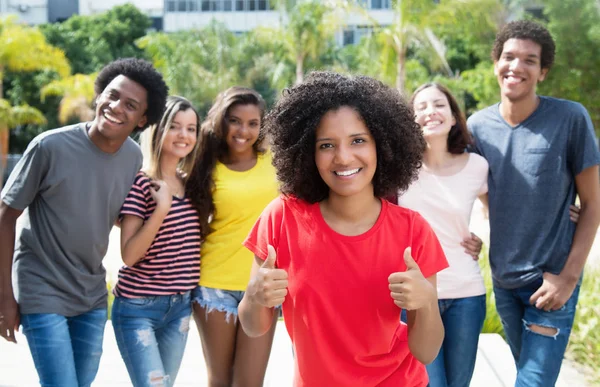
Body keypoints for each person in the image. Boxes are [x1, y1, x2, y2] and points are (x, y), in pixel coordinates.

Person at [238, 71, 449, 386]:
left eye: (358, 140)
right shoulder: (281, 217)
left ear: (383, 145)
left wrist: (427, 302)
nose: (343, 157)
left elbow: (426, 352)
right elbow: (254, 326)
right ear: (308, 152)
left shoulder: (412, 231)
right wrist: (254, 298)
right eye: (326, 145)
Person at [0, 58, 168, 387]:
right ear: (99, 95)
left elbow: (109, 212)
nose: (116, 106)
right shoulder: (49, 146)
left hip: (91, 294)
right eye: (112, 95)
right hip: (41, 289)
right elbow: (6, 216)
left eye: (130, 105)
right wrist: (5, 297)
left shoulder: (133, 157)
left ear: (141, 119)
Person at [468, 20, 600, 386]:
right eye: (509, 56)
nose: (516, 66)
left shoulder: (570, 118)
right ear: (496, 62)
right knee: (527, 374)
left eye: (530, 60)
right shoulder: (478, 126)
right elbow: (461, 183)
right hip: (504, 280)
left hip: (551, 281)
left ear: (542, 72)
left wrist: (567, 278)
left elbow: (593, 203)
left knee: (532, 382)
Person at [185, 87, 279, 387]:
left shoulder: (275, 163)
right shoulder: (205, 165)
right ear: (221, 121)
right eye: (235, 121)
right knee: (220, 380)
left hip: (263, 287)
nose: (244, 131)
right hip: (215, 286)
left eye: (253, 123)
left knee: (250, 382)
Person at [398, 82, 487, 387]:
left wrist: (478, 236)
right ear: (411, 120)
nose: (430, 112)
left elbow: (497, 211)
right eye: (420, 107)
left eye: (438, 105)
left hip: (467, 293)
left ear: (453, 118)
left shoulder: (477, 166)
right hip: (416, 295)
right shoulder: (398, 170)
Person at [111, 96, 201, 387]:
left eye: (191, 128)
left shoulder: (189, 184)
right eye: (175, 126)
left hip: (180, 308)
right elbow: (129, 255)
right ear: (158, 130)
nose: (184, 135)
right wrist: (161, 209)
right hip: (139, 308)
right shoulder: (141, 183)